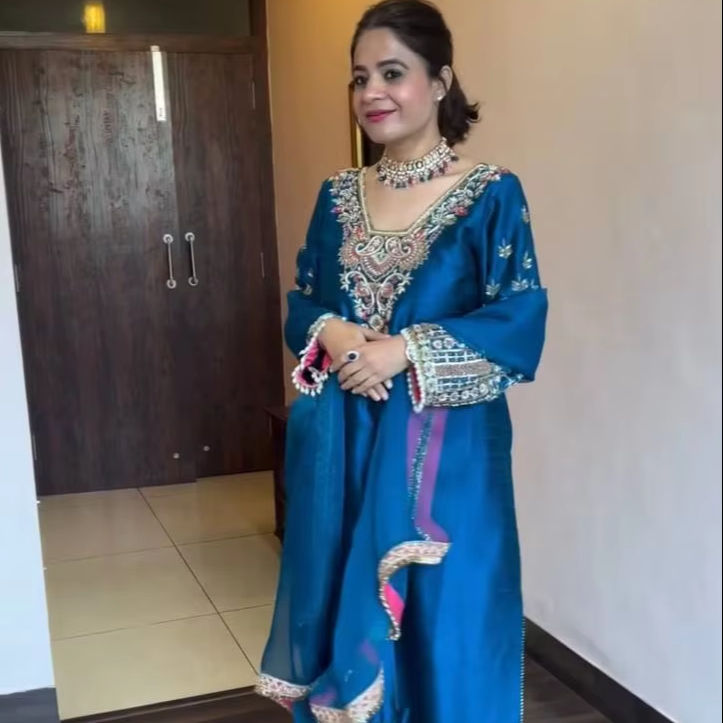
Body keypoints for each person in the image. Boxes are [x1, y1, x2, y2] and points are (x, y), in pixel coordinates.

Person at [256, 1, 548, 720]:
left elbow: (517, 319)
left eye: (392, 73)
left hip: (447, 461)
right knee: (343, 608)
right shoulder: (338, 196)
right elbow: (303, 301)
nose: (372, 93)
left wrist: (404, 349)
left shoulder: (490, 195)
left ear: (439, 82)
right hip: (346, 450)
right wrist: (332, 331)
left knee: (445, 619)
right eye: (360, 78)